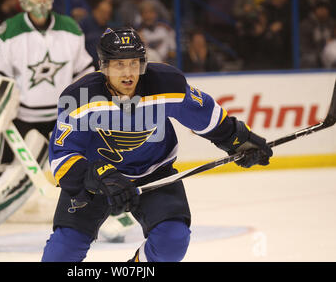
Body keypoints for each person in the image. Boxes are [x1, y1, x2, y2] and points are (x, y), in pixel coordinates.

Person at [41, 27, 273, 262]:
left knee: (173, 240)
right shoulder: (80, 98)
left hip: (154, 173)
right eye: (119, 65)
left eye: (134, 64)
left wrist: (238, 140)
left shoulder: (165, 84)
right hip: (98, 179)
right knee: (62, 252)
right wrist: (100, 176)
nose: (128, 73)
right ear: (104, 66)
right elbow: (63, 156)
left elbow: (206, 116)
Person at [0, 0, 137, 250]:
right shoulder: (8, 30)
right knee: (13, 176)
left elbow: (84, 72)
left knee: (90, 163)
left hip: (63, 118)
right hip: (24, 120)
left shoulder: (70, 28)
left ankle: (109, 215)